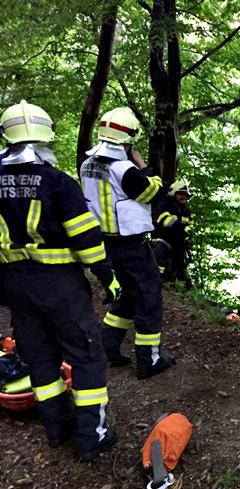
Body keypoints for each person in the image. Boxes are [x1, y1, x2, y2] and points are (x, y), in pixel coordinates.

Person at [0, 100, 117, 460]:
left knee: (39, 358)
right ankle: (92, 437)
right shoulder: (57, 183)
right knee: (86, 356)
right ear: (45, 137)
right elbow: (86, 239)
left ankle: (57, 429)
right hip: (60, 287)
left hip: (15, 286)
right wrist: (107, 277)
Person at [80, 106, 175, 379]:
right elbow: (154, 192)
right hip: (130, 244)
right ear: (129, 138)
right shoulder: (125, 170)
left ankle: (108, 347)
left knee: (125, 295)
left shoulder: (87, 164)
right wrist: (143, 165)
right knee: (148, 296)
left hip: (104, 243)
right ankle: (149, 360)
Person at [152, 180, 193, 288]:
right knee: (158, 255)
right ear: (173, 193)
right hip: (164, 238)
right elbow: (165, 221)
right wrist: (181, 226)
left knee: (181, 263)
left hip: (178, 242)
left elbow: (190, 226)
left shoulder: (186, 211)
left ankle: (182, 285)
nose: (183, 196)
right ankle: (156, 281)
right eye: (180, 194)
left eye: (185, 195)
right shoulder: (165, 205)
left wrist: (187, 232)